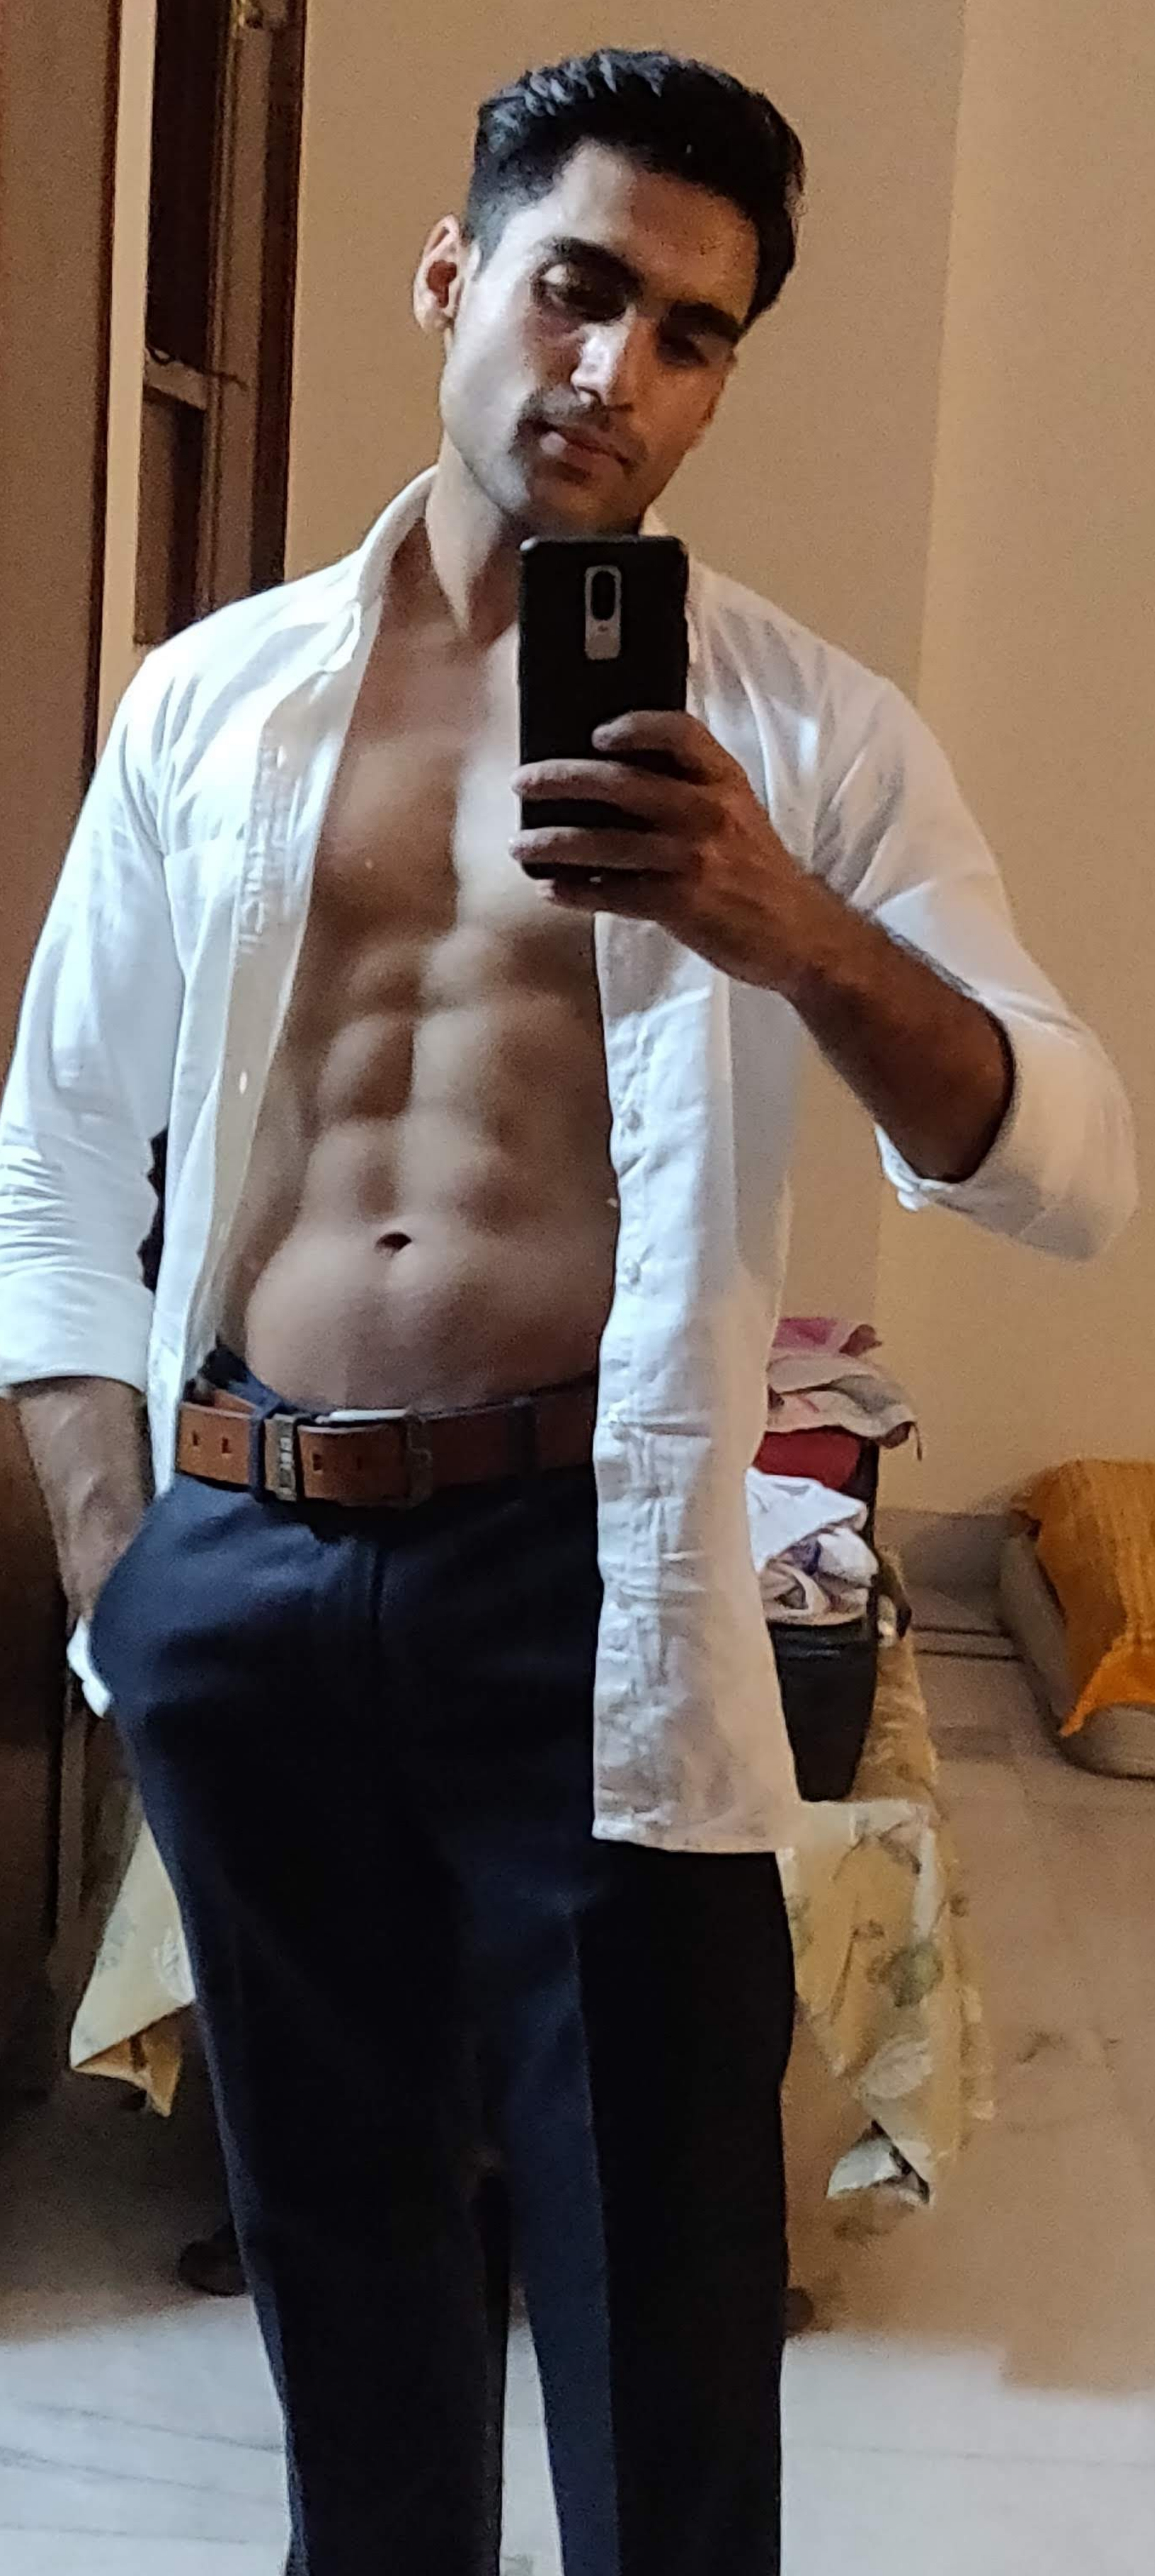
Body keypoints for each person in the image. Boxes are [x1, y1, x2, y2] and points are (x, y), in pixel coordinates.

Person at [0, 46, 1135, 2576]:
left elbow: (1072, 1162)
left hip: (587, 1598)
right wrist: (117, 1580)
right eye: (578, 286)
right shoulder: (210, 699)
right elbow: (55, 1150)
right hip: (245, 1567)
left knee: (662, 2324)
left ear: (725, 379)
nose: (617, 368)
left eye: (693, 333)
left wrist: (789, 930)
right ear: (457, 276)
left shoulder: (800, 734)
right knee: (339, 2280)